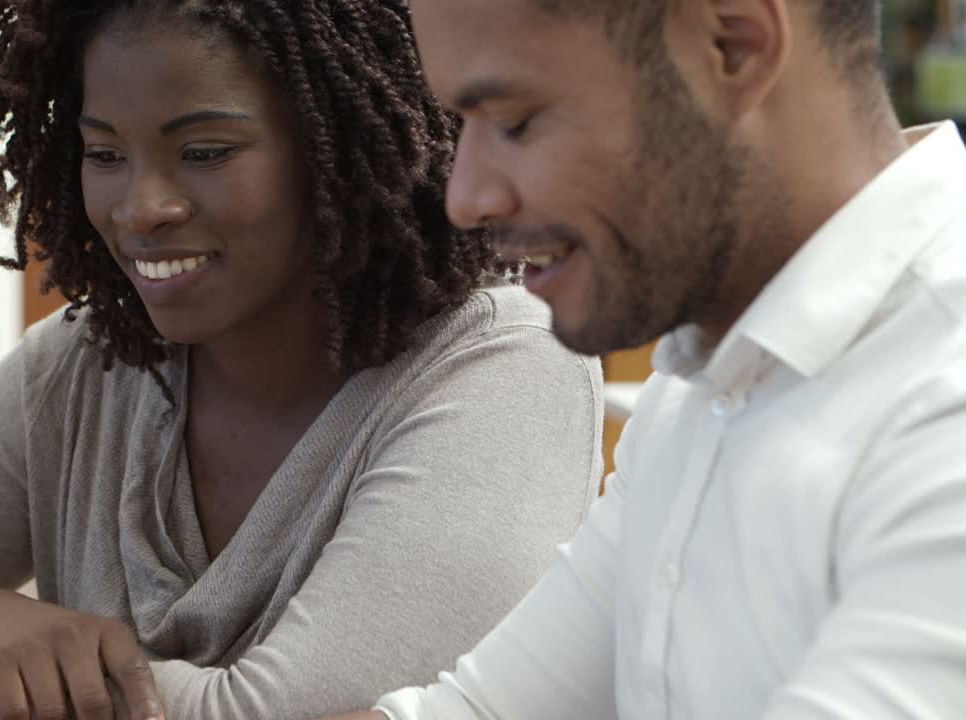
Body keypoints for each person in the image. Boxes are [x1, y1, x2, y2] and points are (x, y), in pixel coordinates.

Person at [0, 1, 605, 719]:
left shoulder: (505, 368)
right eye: (104, 154)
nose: (140, 206)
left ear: (342, 148)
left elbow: (278, 715)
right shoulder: (82, 366)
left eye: (205, 153)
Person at [323, 0, 966, 717]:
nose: (466, 197)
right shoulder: (702, 376)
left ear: (733, 45)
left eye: (515, 122)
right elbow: (478, 711)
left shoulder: (945, 399)